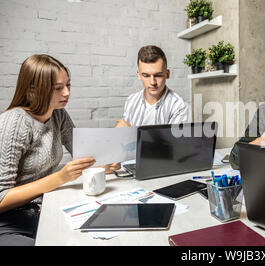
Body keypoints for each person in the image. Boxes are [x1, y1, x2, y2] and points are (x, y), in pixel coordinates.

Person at [0, 54, 99, 245]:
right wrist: (60, 177)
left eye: (68, 85)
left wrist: (105, 159)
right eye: (58, 88)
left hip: (44, 210)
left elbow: (83, 151)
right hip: (10, 222)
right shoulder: (12, 123)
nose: (66, 93)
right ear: (32, 90)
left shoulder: (58, 114)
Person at [115, 45, 188, 127]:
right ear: (139, 75)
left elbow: (174, 140)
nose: (153, 82)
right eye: (146, 76)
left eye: (158, 75)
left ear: (167, 74)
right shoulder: (131, 101)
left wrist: (131, 132)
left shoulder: (179, 106)